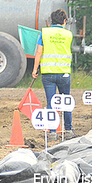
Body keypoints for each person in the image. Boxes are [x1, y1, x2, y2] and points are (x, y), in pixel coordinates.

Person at [32, 8, 75, 140]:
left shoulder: (44, 33)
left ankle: (51, 132)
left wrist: (35, 70)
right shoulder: (68, 34)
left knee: (51, 102)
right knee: (65, 101)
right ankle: (68, 130)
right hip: (64, 74)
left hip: (48, 74)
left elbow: (39, 52)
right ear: (64, 21)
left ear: (51, 21)